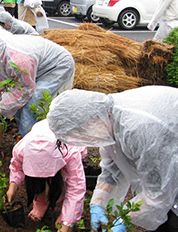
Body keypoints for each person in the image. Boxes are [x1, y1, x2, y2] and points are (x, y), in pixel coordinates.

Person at [46, 86, 178, 232]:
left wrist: (126, 217)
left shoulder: (138, 129)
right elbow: (112, 169)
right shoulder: (109, 121)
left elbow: (160, 191)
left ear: (87, 121)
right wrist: (98, 202)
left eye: (80, 134)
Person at [0, 28, 75, 137]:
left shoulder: (19, 61)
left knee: (32, 105)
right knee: (18, 104)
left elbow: (25, 90)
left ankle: (28, 141)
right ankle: (24, 132)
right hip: (36, 66)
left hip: (57, 66)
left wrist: (2, 107)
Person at [6, 119, 87, 232]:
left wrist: (67, 223)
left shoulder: (70, 153)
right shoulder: (22, 149)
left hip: (69, 138)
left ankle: (65, 212)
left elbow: (76, 188)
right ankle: (40, 203)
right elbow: (16, 166)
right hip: (47, 142)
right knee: (36, 181)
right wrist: (12, 187)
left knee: (64, 184)